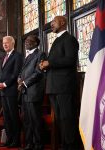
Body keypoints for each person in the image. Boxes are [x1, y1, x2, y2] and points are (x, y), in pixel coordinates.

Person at [39, 16, 79, 150]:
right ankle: (65, 145)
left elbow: (70, 60)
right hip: (53, 86)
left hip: (64, 86)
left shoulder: (69, 39)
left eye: (54, 22)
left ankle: (71, 146)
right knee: (61, 120)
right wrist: (45, 66)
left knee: (68, 118)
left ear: (62, 22)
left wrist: (50, 63)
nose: (51, 24)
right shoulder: (57, 40)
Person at [18, 35, 45, 150]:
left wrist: (24, 83)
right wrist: (19, 79)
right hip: (25, 92)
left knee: (35, 120)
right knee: (27, 120)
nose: (27, 42)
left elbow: (38, 72)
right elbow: (22, 71)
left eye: (30, 41)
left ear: (36, 43)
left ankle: (38, 144)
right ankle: (29, 144)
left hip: (34, 91)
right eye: (26, 41)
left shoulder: (40, 54)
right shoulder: (27, 55)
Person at [0, 36, 23, 148]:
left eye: (7, 43)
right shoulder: (3, 57)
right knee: (6, 117)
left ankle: (16, 141)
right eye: (3, 43)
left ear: (13, 43)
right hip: (3, 91)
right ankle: (9, 139)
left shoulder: (17, 56)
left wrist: (5, 84)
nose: (5, 45)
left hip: (11, 91)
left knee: (13, 116)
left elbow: (15, 73)